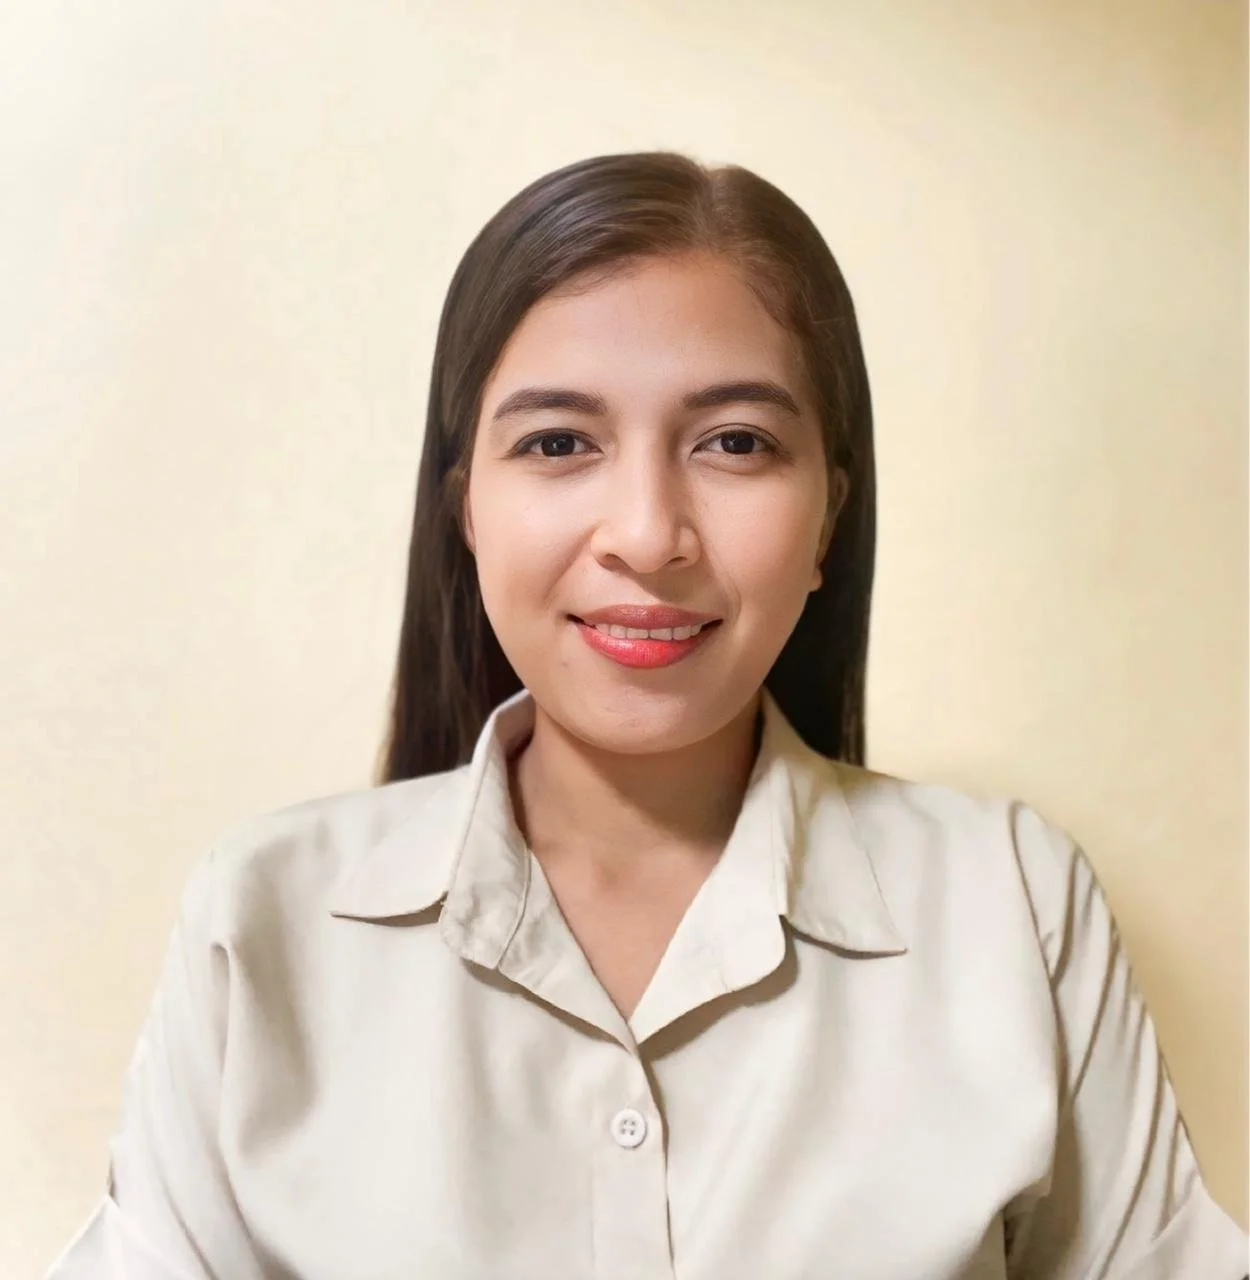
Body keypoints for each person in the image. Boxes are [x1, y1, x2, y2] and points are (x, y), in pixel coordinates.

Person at [49, 151, 1246, 1280]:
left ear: (827, 513)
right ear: (465, 507)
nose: (644, 532)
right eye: (559, 440)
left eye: (734, 441)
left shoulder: (1012, 902)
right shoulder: (264, 919)